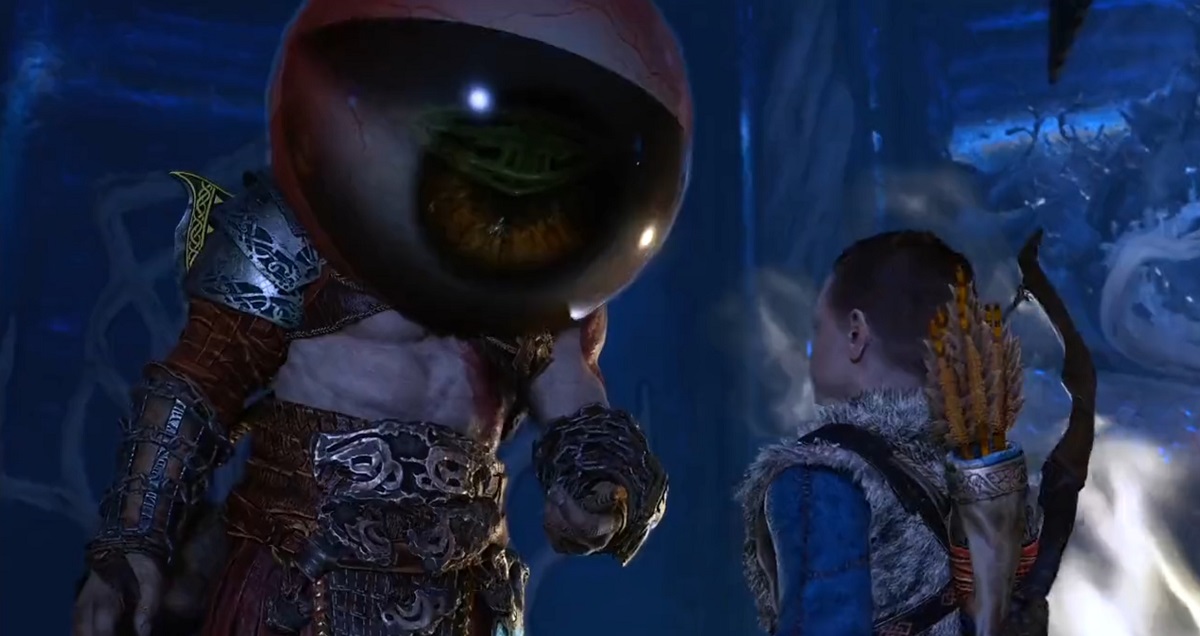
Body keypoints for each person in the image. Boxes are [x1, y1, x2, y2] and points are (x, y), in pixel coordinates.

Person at [71, 1, 693, 635]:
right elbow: (202, 384)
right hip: (300, 588)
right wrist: (132, 544)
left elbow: (575, 404)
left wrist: (602, 489)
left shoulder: (539, 274)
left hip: (467, 594)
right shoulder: (298, 226)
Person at [737, 230, 1041, 636]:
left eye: (818, 328)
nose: (812, 349)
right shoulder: (985, 480)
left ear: (855, 334)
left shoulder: (823, 476)